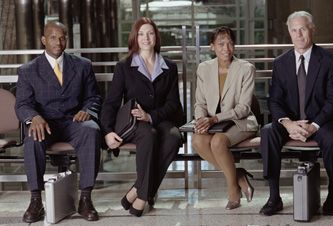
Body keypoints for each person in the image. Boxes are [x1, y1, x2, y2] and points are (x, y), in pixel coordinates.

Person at [259, 11, 333, 216]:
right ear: (289, 32)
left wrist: (313, 125)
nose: (299, 34)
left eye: (303, 29)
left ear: (312, 30)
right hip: (291, 122)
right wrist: (288, 124)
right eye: (294, 30)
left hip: (321, 122)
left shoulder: (330, 60)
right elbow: (275, 100)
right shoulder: (281, 62)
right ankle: (274, 197)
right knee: (268, 132)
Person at [15, 21, 102, 222]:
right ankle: (36, 201)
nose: (58, 41)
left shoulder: (82, 65)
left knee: (92, 130)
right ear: (43, 40)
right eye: (53, 37)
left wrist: (87, 110)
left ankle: (86, 199)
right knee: (32, 138)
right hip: (45, 123)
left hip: (74, 122)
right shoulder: (28, 70)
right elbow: (22, 104)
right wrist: (33, 117)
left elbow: (94, 97)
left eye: (62, 37)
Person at [100, 17, 184, 217]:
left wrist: (151, 116)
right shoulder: (124, 66)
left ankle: (139, 191)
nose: (146, 38)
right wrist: (108, 131)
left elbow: (173, 104)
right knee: (148, 134)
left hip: (159, 118)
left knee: (173, 137)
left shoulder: (169, 67)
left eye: (150, 33)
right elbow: (111, 102)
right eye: (141, 34)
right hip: (134, 121)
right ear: (135, 38)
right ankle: (143, 196)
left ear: (156, 36)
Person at [191, 26, 259, 210]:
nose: (226, 48)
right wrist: (200, 121)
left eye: (230, 43)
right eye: (221, 44)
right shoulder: (204, 68)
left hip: (240, 121)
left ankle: (233, 191)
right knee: (197, 140)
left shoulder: (246, 69)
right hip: (215, 123)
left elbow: (244, 108)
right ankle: (238, 175)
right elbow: (200, 103)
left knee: (218, 142)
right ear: (212, 46)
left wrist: (214, 119)